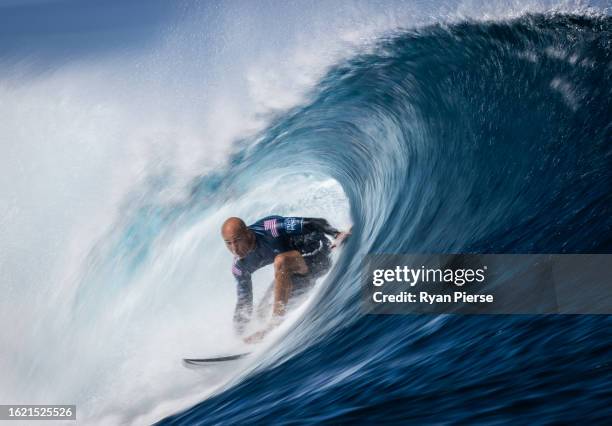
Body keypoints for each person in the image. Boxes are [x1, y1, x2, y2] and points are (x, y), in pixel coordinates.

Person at [222, 215, 350, 343]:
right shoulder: (240, 266)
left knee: (281, 261)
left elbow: (314, 222)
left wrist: (337, 234)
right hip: (298, 275)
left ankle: (274, 323)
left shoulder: (271, 228)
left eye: (237, 240)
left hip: (319, 256)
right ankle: (256, 335)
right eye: (228, 243)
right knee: (261, 311)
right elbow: (244, 302)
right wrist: (236, 337)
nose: (234, 248)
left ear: (248, 234)